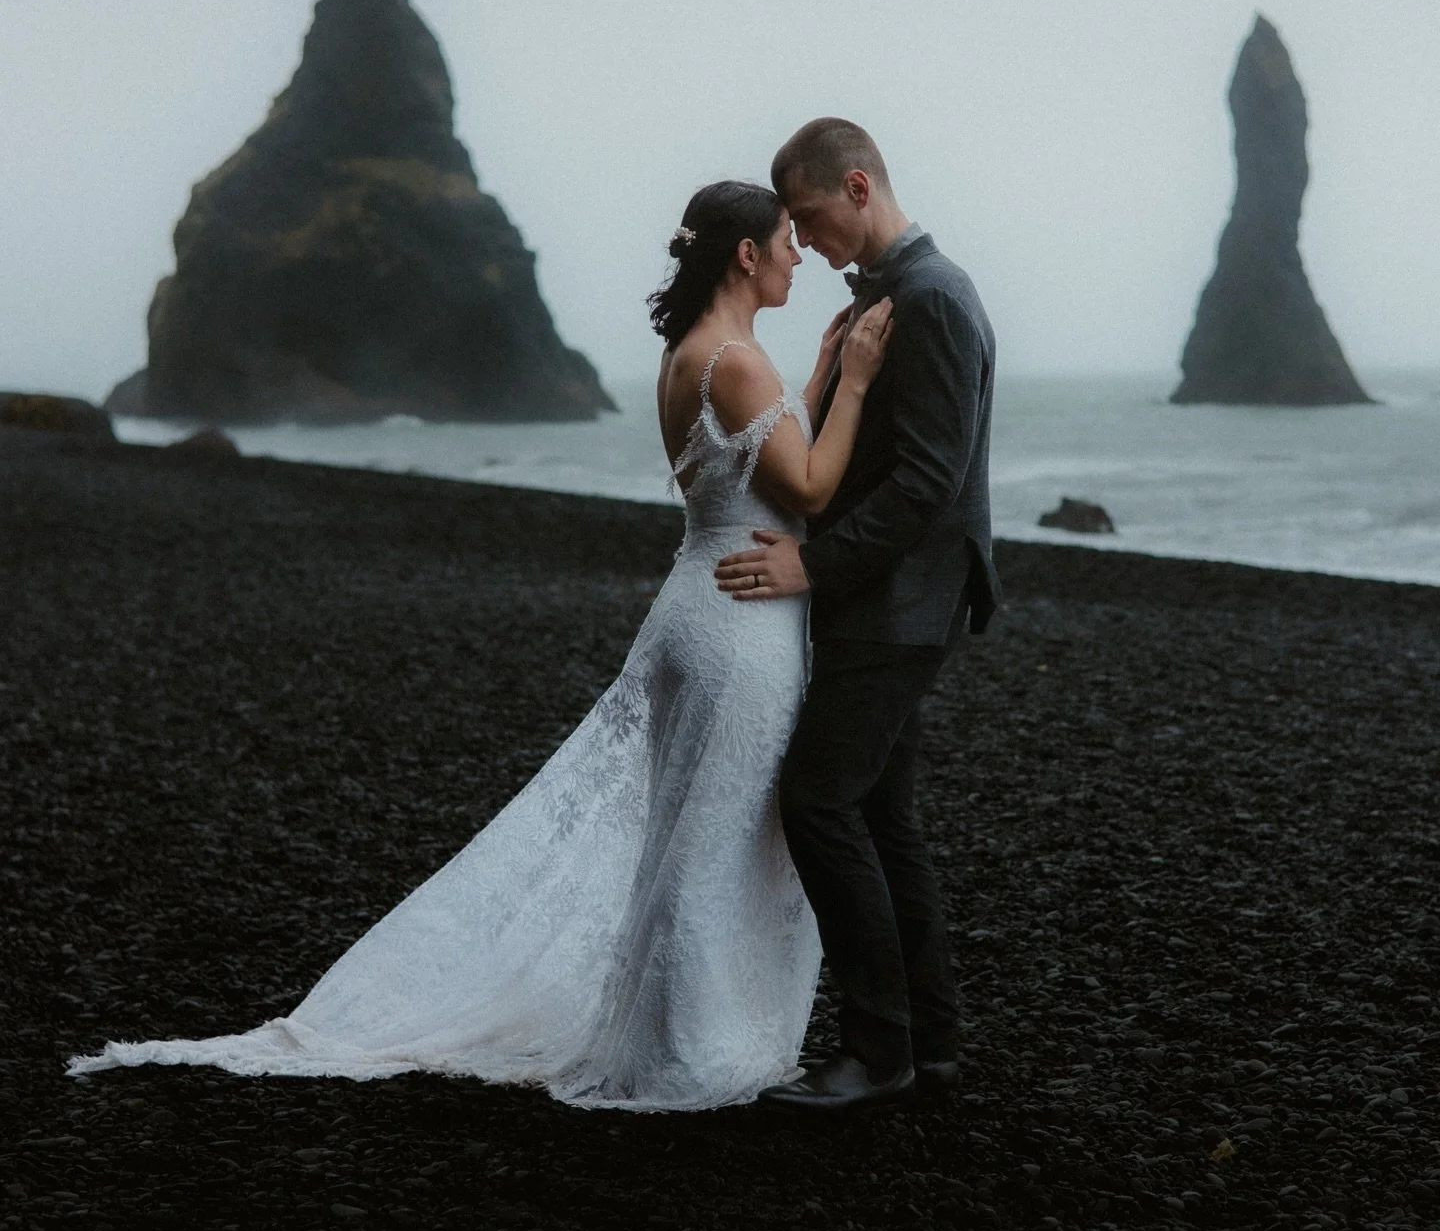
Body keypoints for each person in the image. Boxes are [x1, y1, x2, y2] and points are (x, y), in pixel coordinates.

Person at [68, 180, 892, 1112]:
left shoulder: (694, 353)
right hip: (740, 620)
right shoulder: (736, 362)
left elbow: (765, 462)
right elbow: (809, 488)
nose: (796, 255)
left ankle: (677, 1031)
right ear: (745, 253)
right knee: (716, 837)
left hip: (704, 603)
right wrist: (859, 380)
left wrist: (818, 376)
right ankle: (690, 1047)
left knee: (694, 828)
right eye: (785, 240)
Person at [715, 119, 999, 1113]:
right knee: (881, 814)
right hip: (890, 598)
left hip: (898, 603)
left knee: (818, 803)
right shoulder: (894, 294)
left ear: (858, 186)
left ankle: (879, 1051)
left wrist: (811, 565)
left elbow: (927, 482)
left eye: (808, 215)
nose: (801, 237)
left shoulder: (933, 297)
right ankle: (931, 1043)